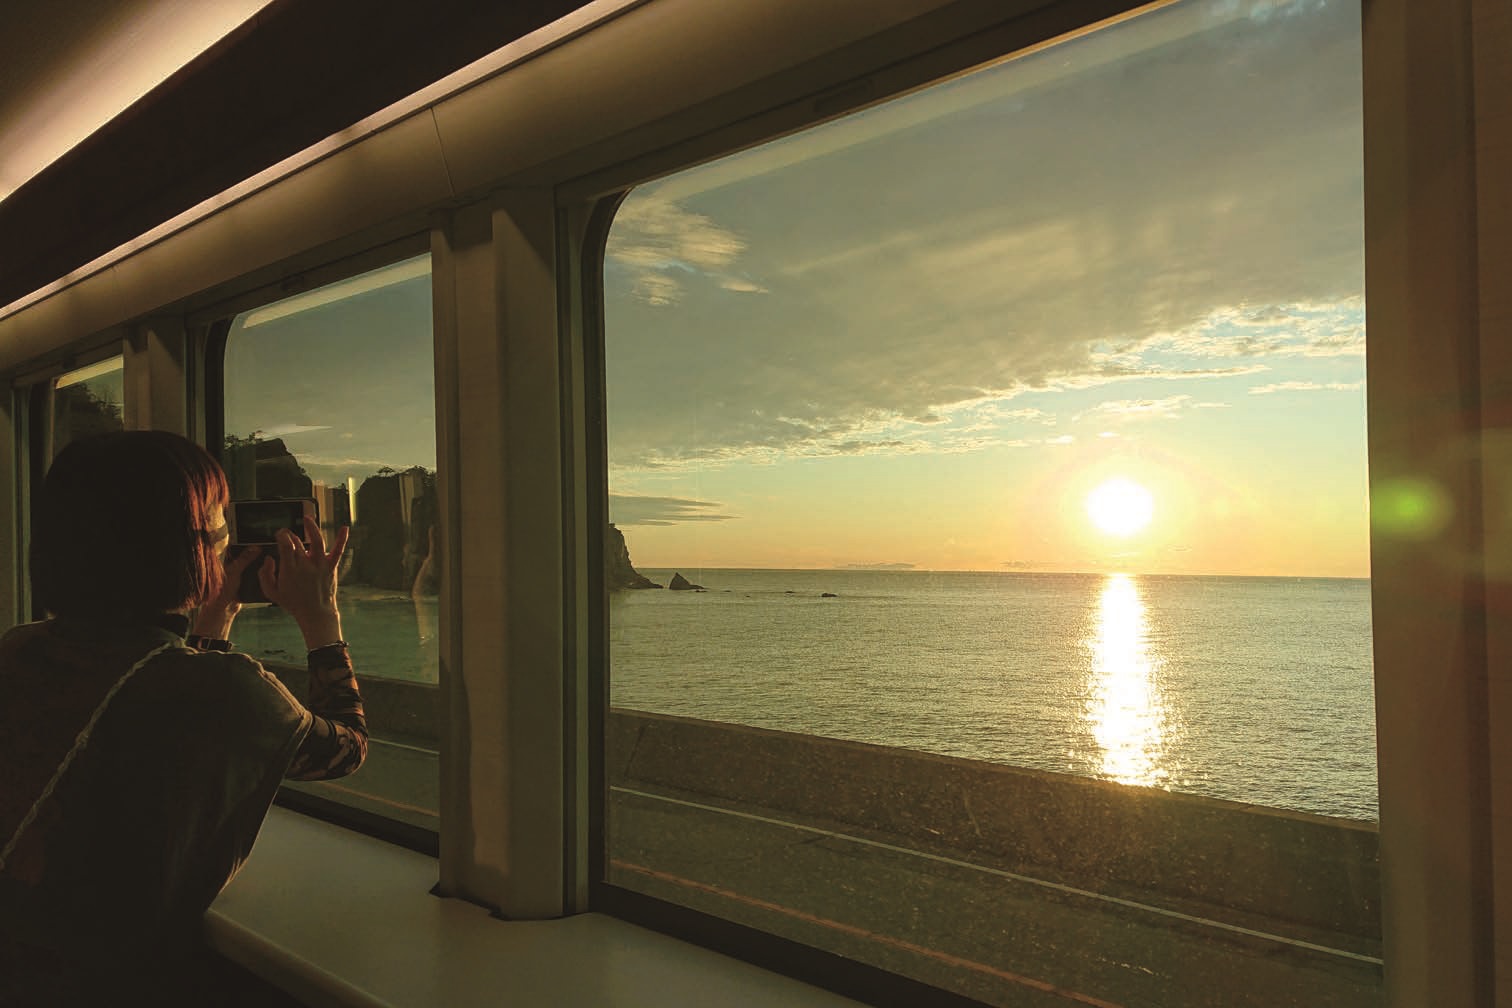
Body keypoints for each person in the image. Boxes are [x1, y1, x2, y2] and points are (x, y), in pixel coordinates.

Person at [0, 430, 368, 1004]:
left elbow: (152, 697)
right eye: (218, 523)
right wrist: (321, 620)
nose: (225, 539)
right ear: (184, 545)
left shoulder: (18, 648)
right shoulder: (221, 690)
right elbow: (345, 749)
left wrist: (210, 625)